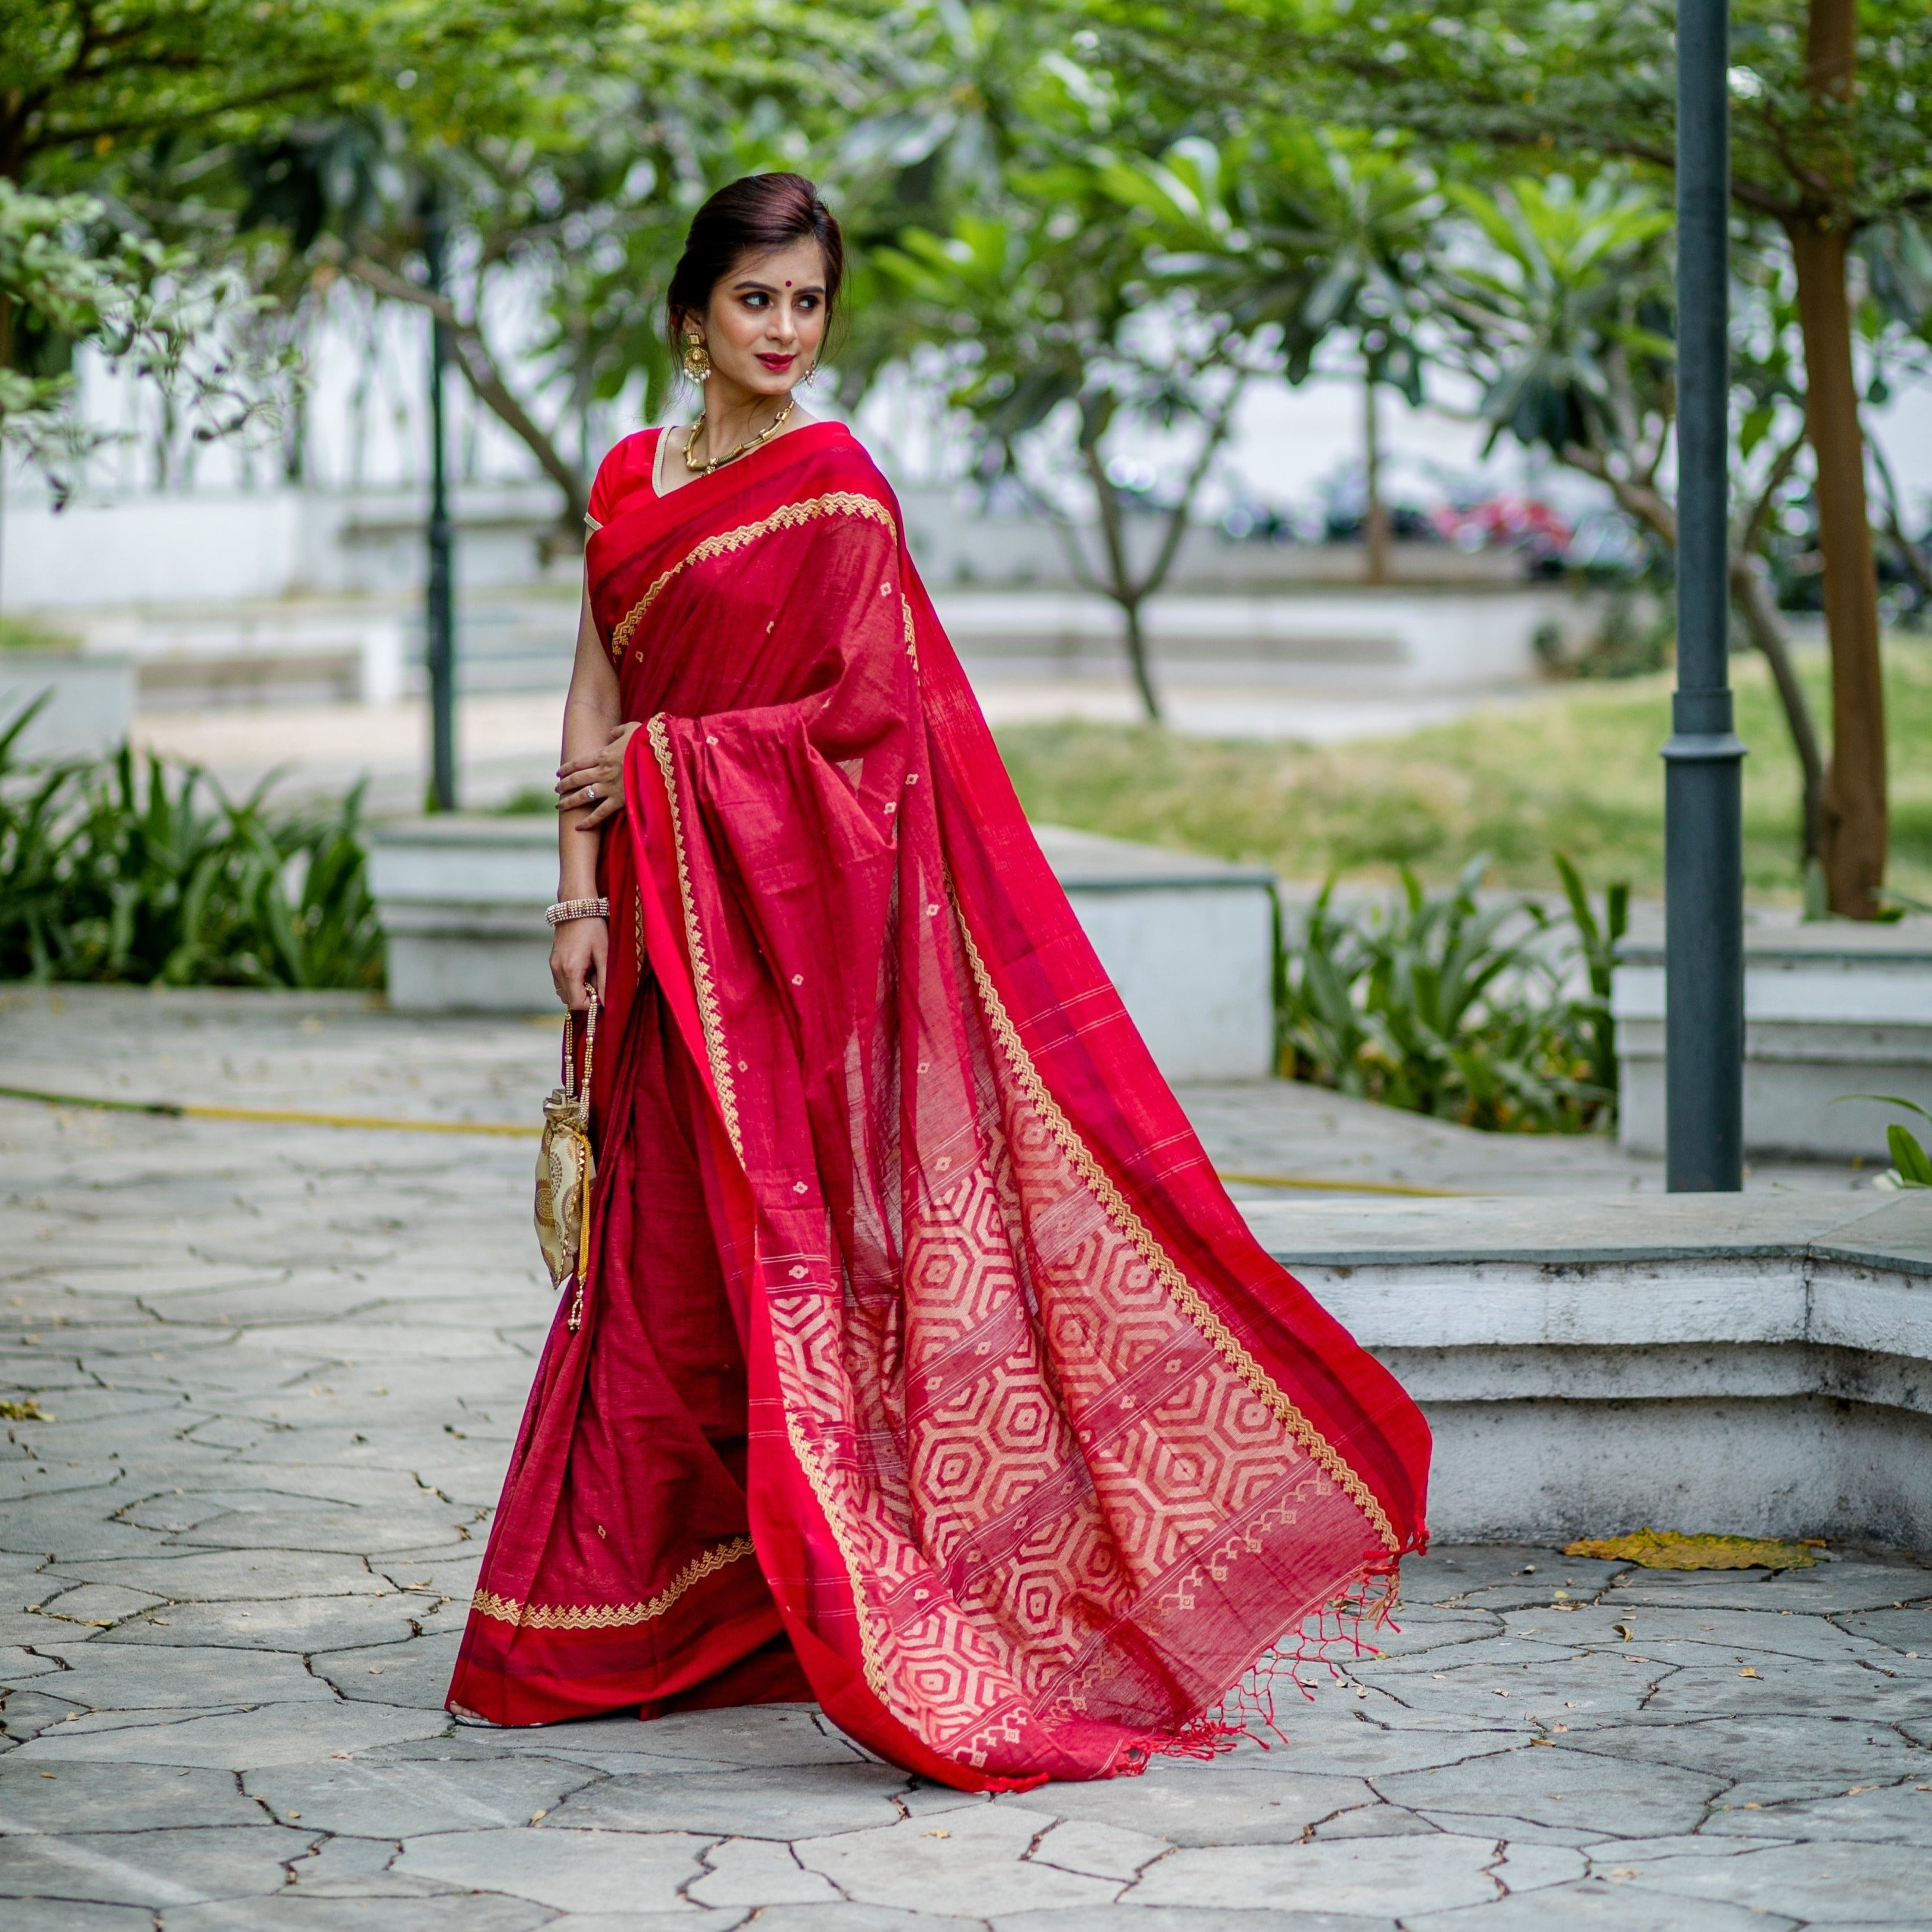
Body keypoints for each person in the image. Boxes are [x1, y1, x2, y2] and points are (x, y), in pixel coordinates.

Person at [447, 172, 1430, 1790]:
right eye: (755, 300)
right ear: (690, 314)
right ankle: (639, 1615)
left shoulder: (837, 489)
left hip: (765, 939)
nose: (785, 332)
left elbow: (869, 733)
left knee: (761, 1255)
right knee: (651, 1264)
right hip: (653, 928)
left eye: (809, 303)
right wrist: (574, 901)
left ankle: (842, 1590)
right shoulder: (629, 479)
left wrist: (680, 769)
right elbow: (592, 687)